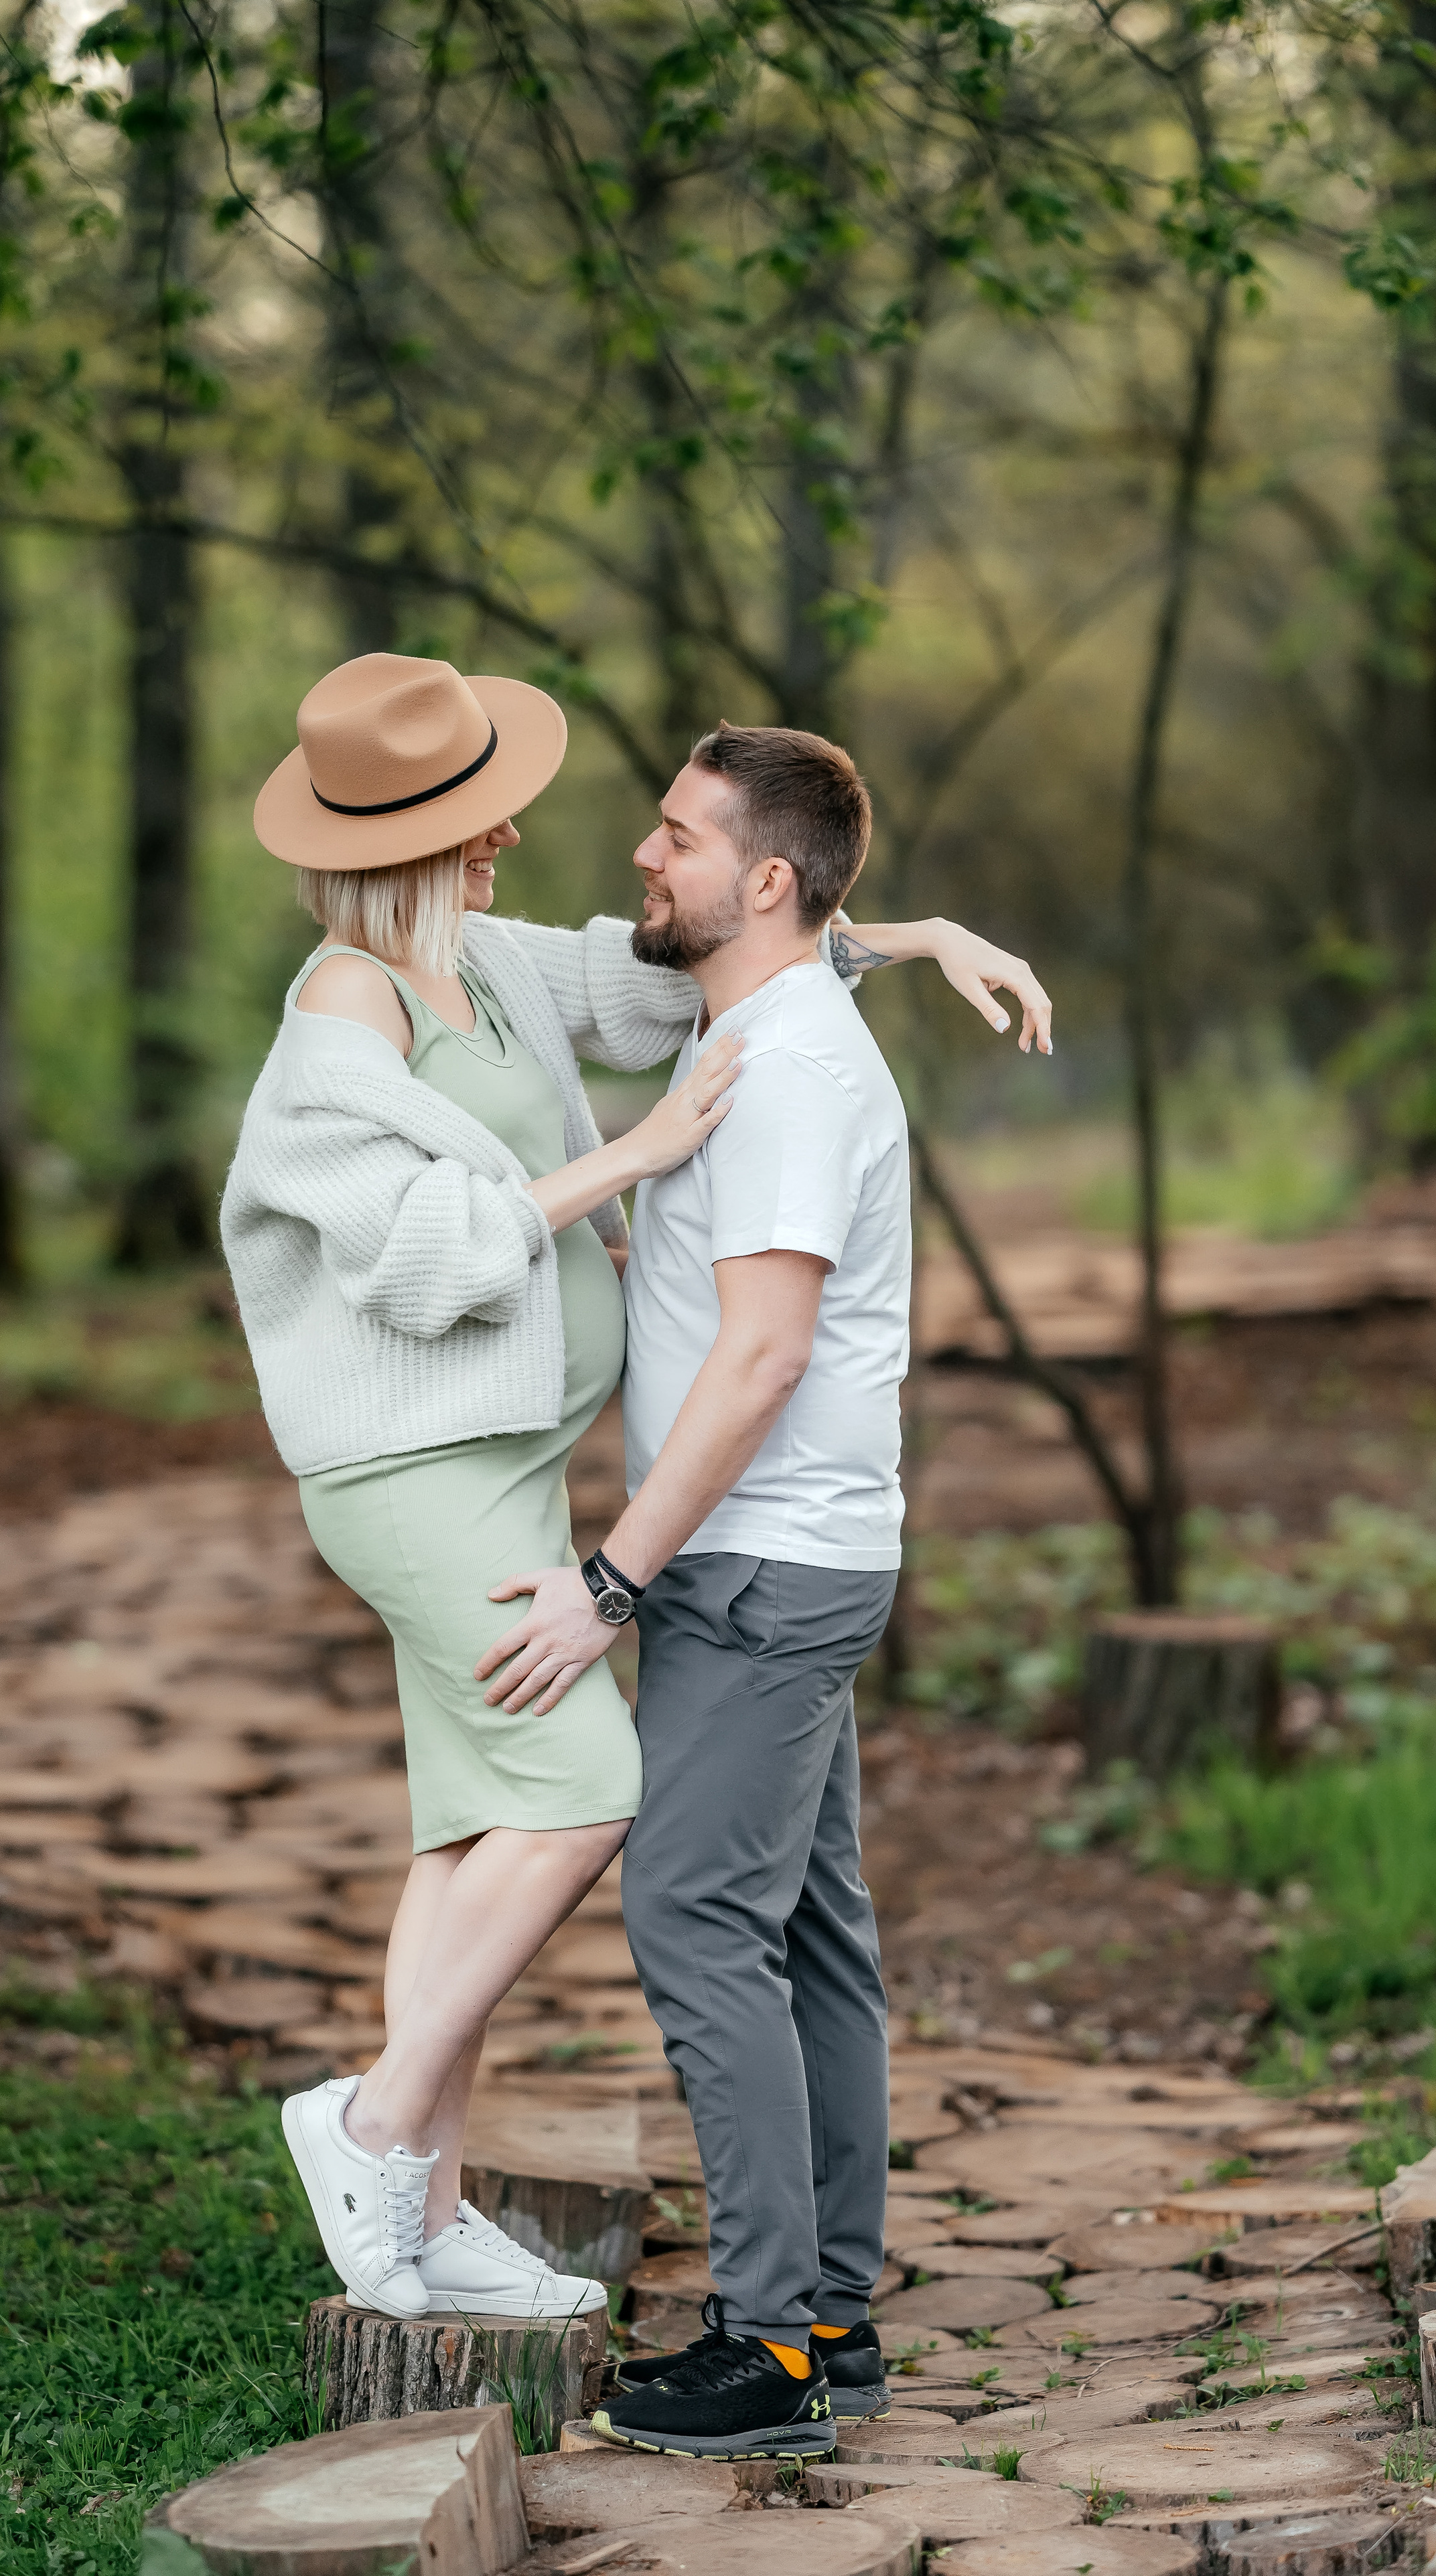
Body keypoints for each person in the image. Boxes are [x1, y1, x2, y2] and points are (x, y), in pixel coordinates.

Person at [222, 654, 1052, 2335]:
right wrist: (632, 1156)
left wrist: (917, 934)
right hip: (414, 1472)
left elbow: (702, 955)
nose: (517, 834)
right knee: (587, 1784)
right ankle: (375, 2123)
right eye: (480, 818)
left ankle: (422, 2208)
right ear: (409, 844)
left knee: (471, 1823)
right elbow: (414, 1261)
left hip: (501, 1465)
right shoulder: (339, 1019)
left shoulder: (488, 965)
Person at [474, 719, 1052, 2457]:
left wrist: (609, 1581)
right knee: (805, 1934)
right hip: (792, 1554)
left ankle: (773, 2348)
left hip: (757, 1564)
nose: (644, 854)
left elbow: (764, 1355)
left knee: (693, 1921)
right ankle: (832, 2319)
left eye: (679, 835)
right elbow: (823, 950)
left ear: (768, 878)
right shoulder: (768, 1016)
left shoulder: (792, 1069)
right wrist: (924, 933)